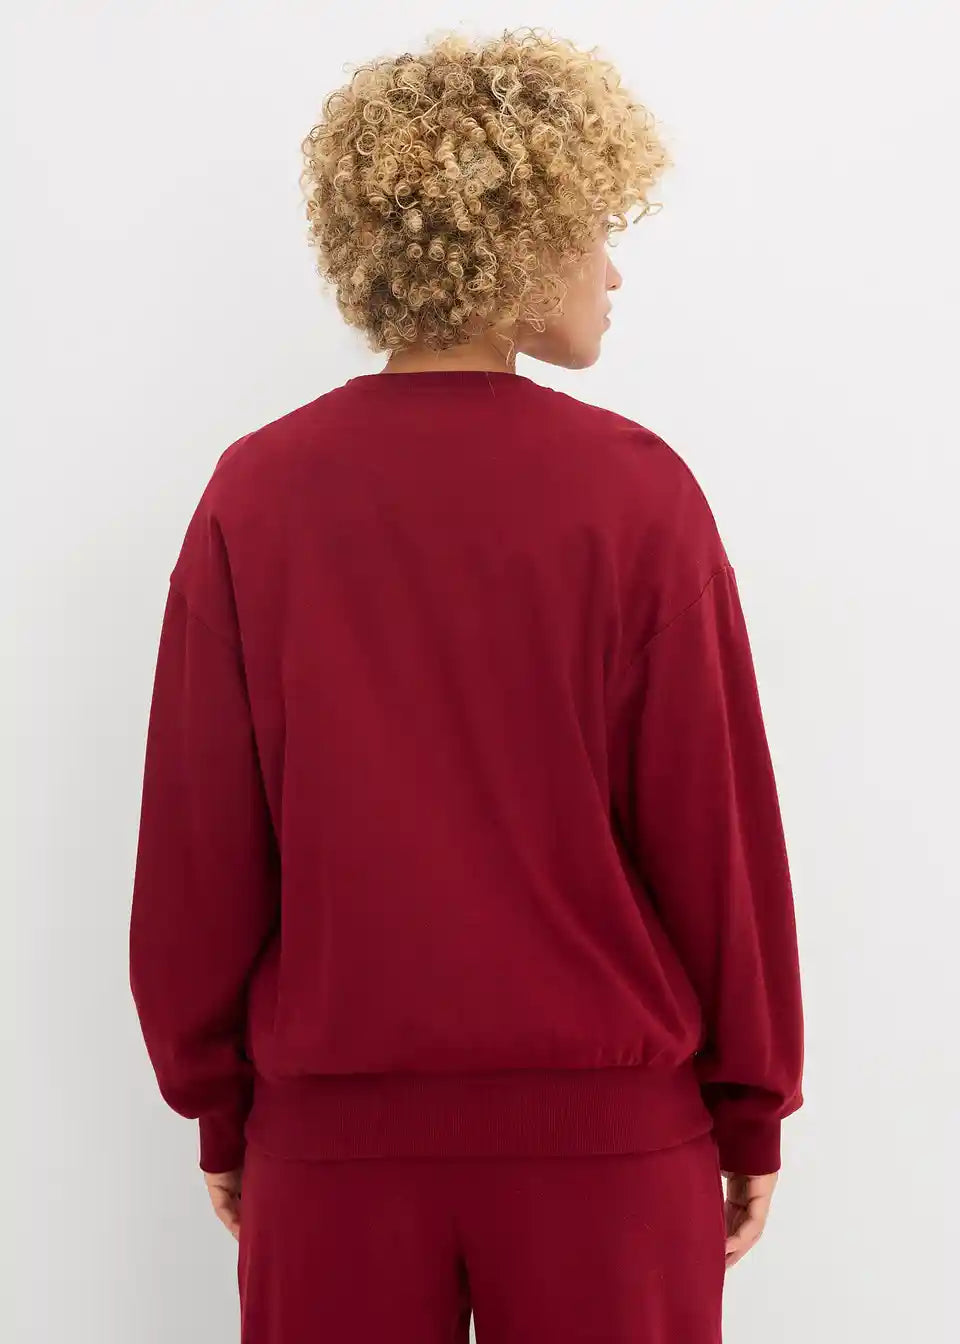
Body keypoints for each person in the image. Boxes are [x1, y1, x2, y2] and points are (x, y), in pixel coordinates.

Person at [129, 26, 803, 1344]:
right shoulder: (635, 496)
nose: (614, 271)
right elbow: (710, 831)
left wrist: (221, 1103)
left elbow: (200, 847)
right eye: (595, 230)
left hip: (333, 1154)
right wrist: (750, 1102)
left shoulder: (258, 497)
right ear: (518, 239)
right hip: (609, 1154)